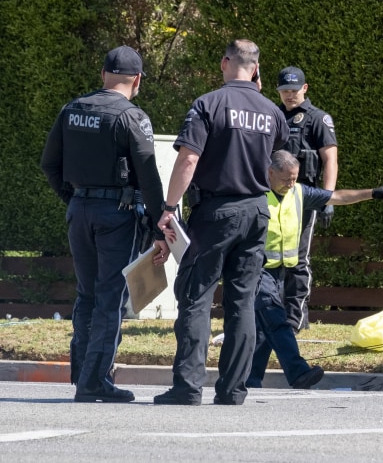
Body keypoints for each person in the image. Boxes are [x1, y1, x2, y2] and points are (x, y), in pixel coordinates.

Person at [153, 39, 288, 406]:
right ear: (256, 68)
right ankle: (233, 390)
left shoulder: (208, 103)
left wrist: (169, 207)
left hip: (216, 213)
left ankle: (188, 387)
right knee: (242, 302)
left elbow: (188, 161)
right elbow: (276, 154)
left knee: (196, 297)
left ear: (225, 62)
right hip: (257, 211)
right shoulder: (271, 111)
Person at [40, 45, 171, 403]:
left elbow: (49, 164)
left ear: (102, 75)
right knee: (110, 299)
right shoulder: (132, 117)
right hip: (117, 215)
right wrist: (161, 227)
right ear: (138, 80)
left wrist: (75, 200)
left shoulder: (72, 110)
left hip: (79, 211)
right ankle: (95, 380)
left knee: (86, 294)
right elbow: (149, 176)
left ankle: (83, 372)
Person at [246, 150, 383, 389]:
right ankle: (298, 372)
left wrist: (375, 193)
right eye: (286, 179)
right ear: (270, 173)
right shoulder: (254, 195)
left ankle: (249, 379)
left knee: (265, 328)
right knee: (276, 319)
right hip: (256, 270)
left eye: (295, 178)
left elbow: (338, 197)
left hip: (280, 273)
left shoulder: (299, 192)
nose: (291, 184)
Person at [276, 66, 338, 333]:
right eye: (284, 91)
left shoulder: (317, 119)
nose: (289, 96)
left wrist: (328, 200)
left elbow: (330, 160)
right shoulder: (273, 116)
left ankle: (296, 317)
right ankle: (273, 315)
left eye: (294, 90)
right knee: (271, 258)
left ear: (305, 88)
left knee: (299, 259)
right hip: (273, 198)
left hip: (304, 198)